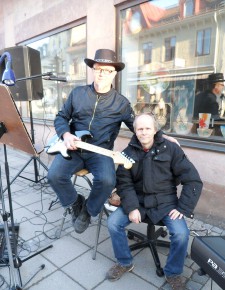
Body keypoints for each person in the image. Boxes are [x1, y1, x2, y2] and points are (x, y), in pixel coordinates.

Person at [47, 49, 178, 235]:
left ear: (114, 73)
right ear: (93, 69)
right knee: (54, 176)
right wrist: (66, 135)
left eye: (107, 70)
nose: (101, 73)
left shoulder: (121, 103)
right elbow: (61, 117)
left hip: (100, 152)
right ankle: (76, 202)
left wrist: (161, 136)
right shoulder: (77, 93)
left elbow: (138, 125)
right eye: (98, 68)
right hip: (74, 148)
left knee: (108, 180)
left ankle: (88, 210)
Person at [106, 113, 203, 290]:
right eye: (139, 129)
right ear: (135, 130)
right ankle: (125, 262)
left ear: (155, 129)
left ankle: (173, 273)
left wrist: (183, 208)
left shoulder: (171, 149)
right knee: (113, 223)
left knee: (182, 233)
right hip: (138, 201)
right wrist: (132, 207)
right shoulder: (128, 152)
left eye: (147, 128)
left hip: (165, 202)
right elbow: (124, 183)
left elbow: (193, 181)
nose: (143, 132)